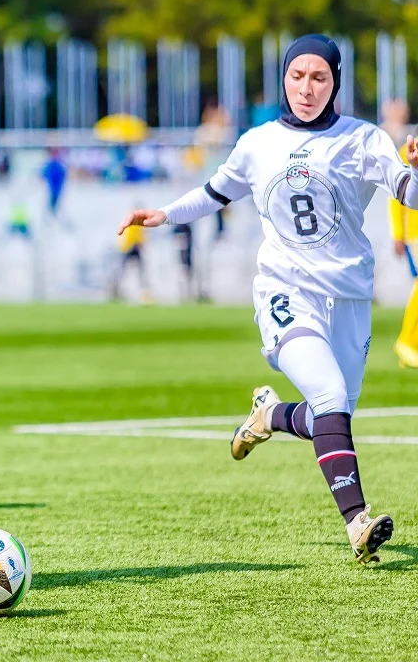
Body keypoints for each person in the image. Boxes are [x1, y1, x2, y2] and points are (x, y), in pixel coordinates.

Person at [119, 34, 418, 564]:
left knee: (331, 416)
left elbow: (407, 193)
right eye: (297, 75)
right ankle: (358, 522)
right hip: (285, 291)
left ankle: (269, 415)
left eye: (319, 77)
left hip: (349, 299)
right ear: (284, 78)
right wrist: (164, 214)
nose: (306, 88)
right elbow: (215, 192)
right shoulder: (258, 143)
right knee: (328, 395)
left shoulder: (363, 139)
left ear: (335, 83)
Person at [388, 124, 418, 368]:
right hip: (415, 232)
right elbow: (396, 196)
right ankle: (407, 342)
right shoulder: (408, 149)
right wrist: (398, 233)